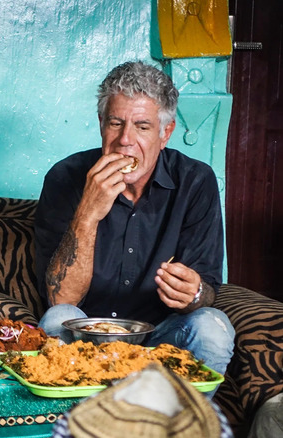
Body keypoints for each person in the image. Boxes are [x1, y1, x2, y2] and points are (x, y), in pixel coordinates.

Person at [34, 61, 235, 383]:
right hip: (88, 333)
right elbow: (62, 299)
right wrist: (88, 212)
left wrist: (194, 295)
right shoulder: (66, 177)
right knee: (59, 318)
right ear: (101, 123)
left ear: (165, 132)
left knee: (211, 325)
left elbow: (207, 291)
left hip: (163, 335)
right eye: (116, 123)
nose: (125, 140)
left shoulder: (196, 181)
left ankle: (183, 429)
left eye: (142, 126)